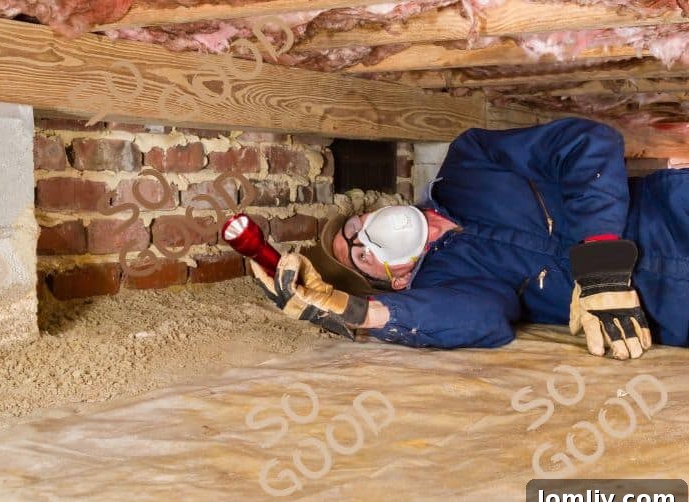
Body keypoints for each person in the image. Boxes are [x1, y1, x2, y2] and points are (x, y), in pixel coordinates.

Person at [252, 118, 689, 360]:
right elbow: (481, 320)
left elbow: (586, 142)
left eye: (354, 228)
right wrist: (360, 312)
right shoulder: (445, 286)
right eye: (362, 255)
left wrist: (601, 265)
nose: (366, 236)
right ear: (397, 280)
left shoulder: (468, 161)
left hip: (673, 215)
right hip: (668, 309)